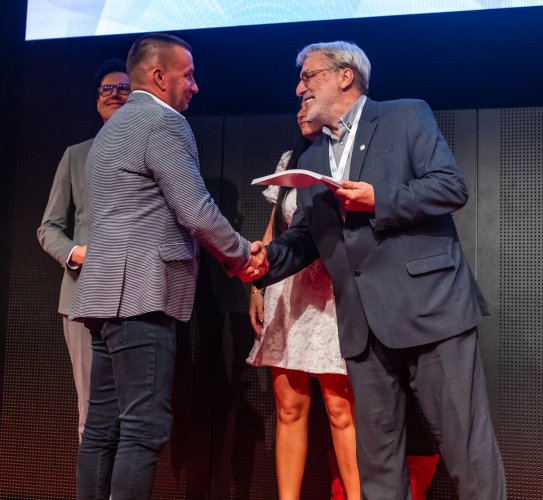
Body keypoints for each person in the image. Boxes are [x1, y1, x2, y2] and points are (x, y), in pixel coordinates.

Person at [257, 41, 506, 499]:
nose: (299, 89)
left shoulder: (405, 116)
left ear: (344, 76)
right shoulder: (311, 158)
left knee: (467, 450)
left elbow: (450, 187)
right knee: (377, 464)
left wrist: (379, 200)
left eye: (308, 76)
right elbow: (309, 237)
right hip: (361, 326)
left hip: (431, 311)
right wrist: (265, 262)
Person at [69, 33, 267, 500]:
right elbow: (196, 211)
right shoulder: (163, 123)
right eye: (188, 75)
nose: (195, 86)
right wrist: (243, 257)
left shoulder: (110, 130)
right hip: (142, 297)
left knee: (101, 427)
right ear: (160, 77)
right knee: (144, 428)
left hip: (103, 298)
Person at [247, 101, 359, 500]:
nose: (301, 109)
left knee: (340, 408)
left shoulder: (350, 155)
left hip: (331, 292)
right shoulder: (289, 160)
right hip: (288, 288)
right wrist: (257, 287)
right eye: (298, 103)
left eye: (309, 100)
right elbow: (276, 228)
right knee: (289, 407)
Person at [37, 58, 130, 442]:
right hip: (83, 297)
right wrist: (76, 253)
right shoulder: (76, 155)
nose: (115, 94)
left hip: (138, 298)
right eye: (107, 89)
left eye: (123, 88)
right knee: (91, 412)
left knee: (136, 413)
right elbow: (48, 228)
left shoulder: (156, 151)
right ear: (97, 101)